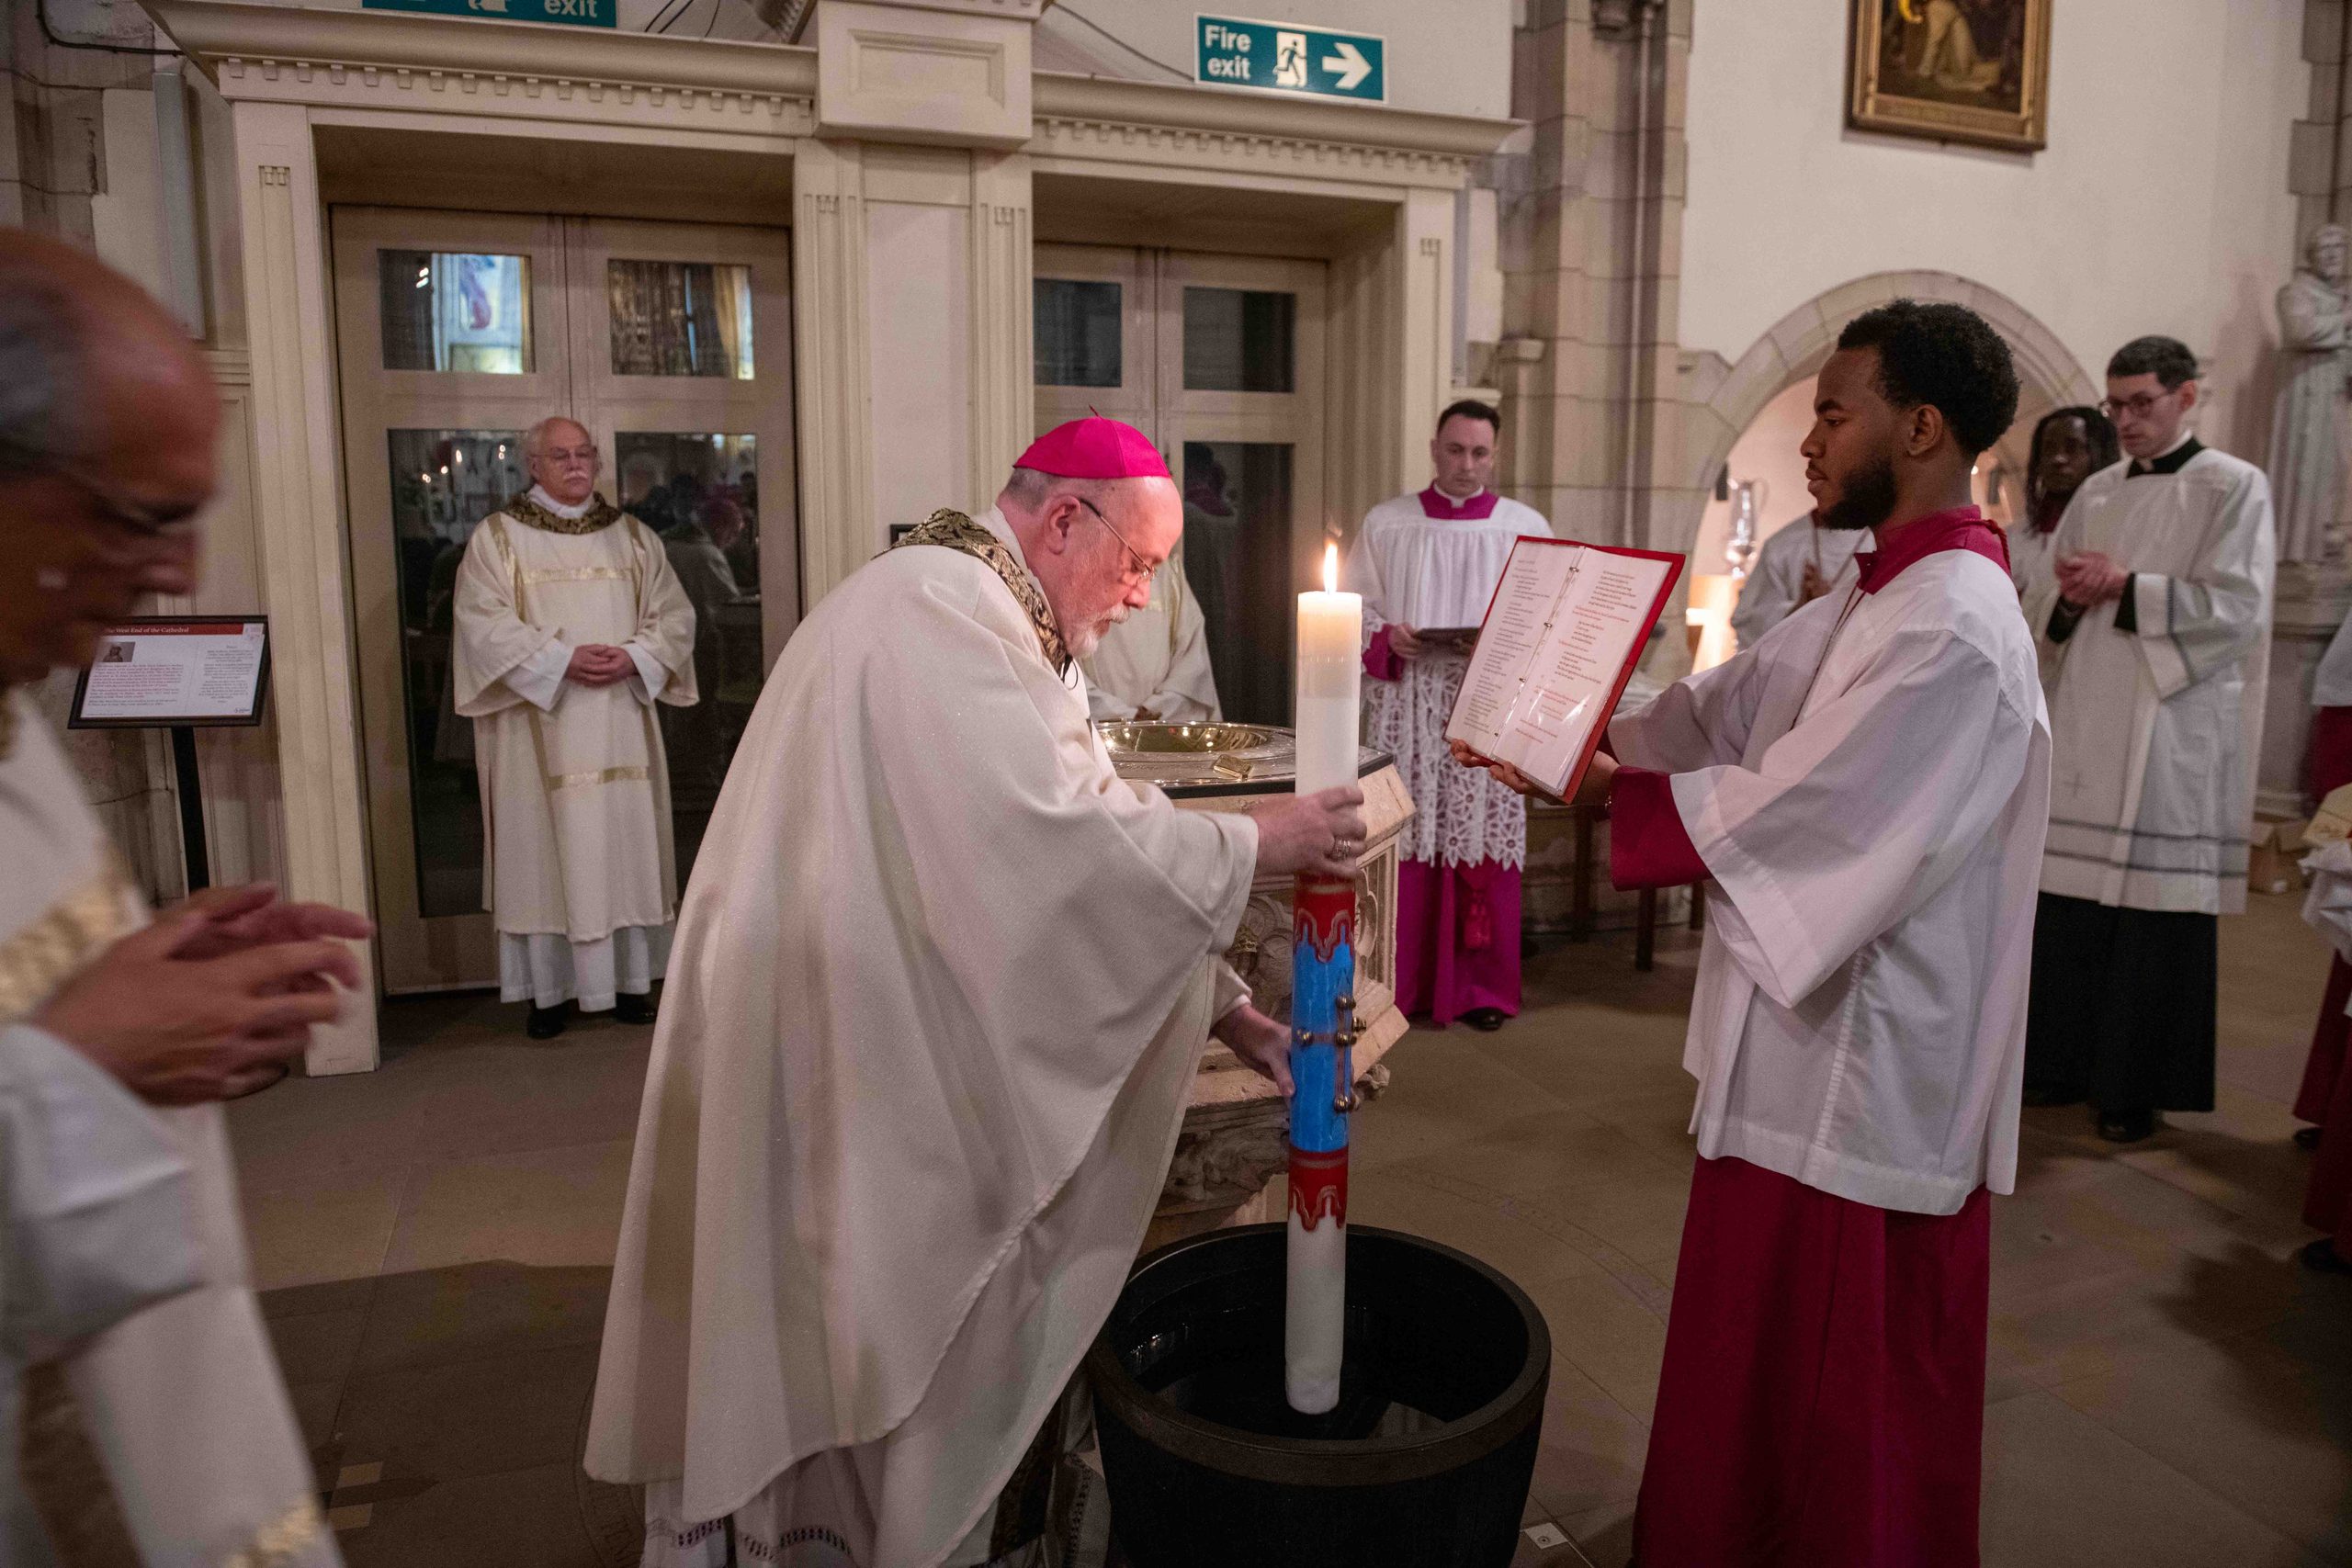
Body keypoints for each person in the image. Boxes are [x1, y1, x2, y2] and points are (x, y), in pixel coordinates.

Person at [585, 415, 1367, 1568]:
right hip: (839, 1024)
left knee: (837, 1300)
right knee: (849, 1304)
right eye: (1140, 564)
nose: (1145, 598)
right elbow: (1053, 850)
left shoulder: (981, 614)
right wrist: (1262, 839)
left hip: (848, 997)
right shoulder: (940, 614)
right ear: (1064, 520)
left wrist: (1228, 1010)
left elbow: (1056, 851)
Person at [1460, 299, 2046, 1567]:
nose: (1812, 441)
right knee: (1761, 1353)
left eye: (1836, 413)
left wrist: (1617, 782)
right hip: (1805, 1045)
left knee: (1832, 1376)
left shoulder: (1951, 620)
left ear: (1925, 425)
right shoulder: (1878, 591)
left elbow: (1826, 816)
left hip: (1863, 1069)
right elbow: (1733, 703)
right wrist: (1585, 715)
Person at [0, 228, 366, 1567]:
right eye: (146, 516)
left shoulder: (11, 711)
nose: (179, 577)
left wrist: (145, 972)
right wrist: (84, 1054)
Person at [2024, 336, 2277, 1144]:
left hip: (2171, 723)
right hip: (2091, 716)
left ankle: (2134, 1089)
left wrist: (2127, 587)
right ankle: (2057, 1064)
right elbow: (2053, 611)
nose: (2126, 420)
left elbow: (2240, 609)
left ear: (2187, 397)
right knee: (2067, 908)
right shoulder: (2096, 489)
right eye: (2116, 405)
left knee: (2150, 922)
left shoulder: (2234, 487)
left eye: (2142, 403)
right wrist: (2067, 600)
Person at [453, 417, 698, 1040]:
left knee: (619, 847)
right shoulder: (498, 539)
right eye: (559, 455)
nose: (575, 464)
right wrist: (559, 659)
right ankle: (549, 990)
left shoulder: (634, 538)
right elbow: (482, 624)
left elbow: (674, 616)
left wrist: (636, 655)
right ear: (533, 465)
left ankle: (629, 982)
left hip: (619, 715)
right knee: (542, 849)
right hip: (540, 719)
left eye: (583, 453)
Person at [1349, 400, 1551, 1031]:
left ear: (1496, 454)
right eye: (1456, 450)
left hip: (1485, 706)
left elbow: (1550, 614)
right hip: (1410, 706)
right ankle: (1399, 985)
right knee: (1406, 833)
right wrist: (1388, 636)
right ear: (1435, 447)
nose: (1467, 464)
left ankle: (1477, 991)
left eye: (1480, 452)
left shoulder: (1526, 527)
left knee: (1477, 835)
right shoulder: (1388, 522)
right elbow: (1349, 607)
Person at [1079, 538, 1220, 723]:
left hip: (1165, 726)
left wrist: (1151, 716)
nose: (1140, 599)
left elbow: (1192, 669)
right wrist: (1124, 717)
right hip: (1099, 729)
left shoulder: (1168, 573)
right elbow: (1065, 668)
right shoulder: (1085, 561)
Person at [1727, 509, 1865, 649]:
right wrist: (1799, 610)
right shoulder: (1782, 546)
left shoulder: (1881, 541)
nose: (1813, 486)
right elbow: (1747, 624)